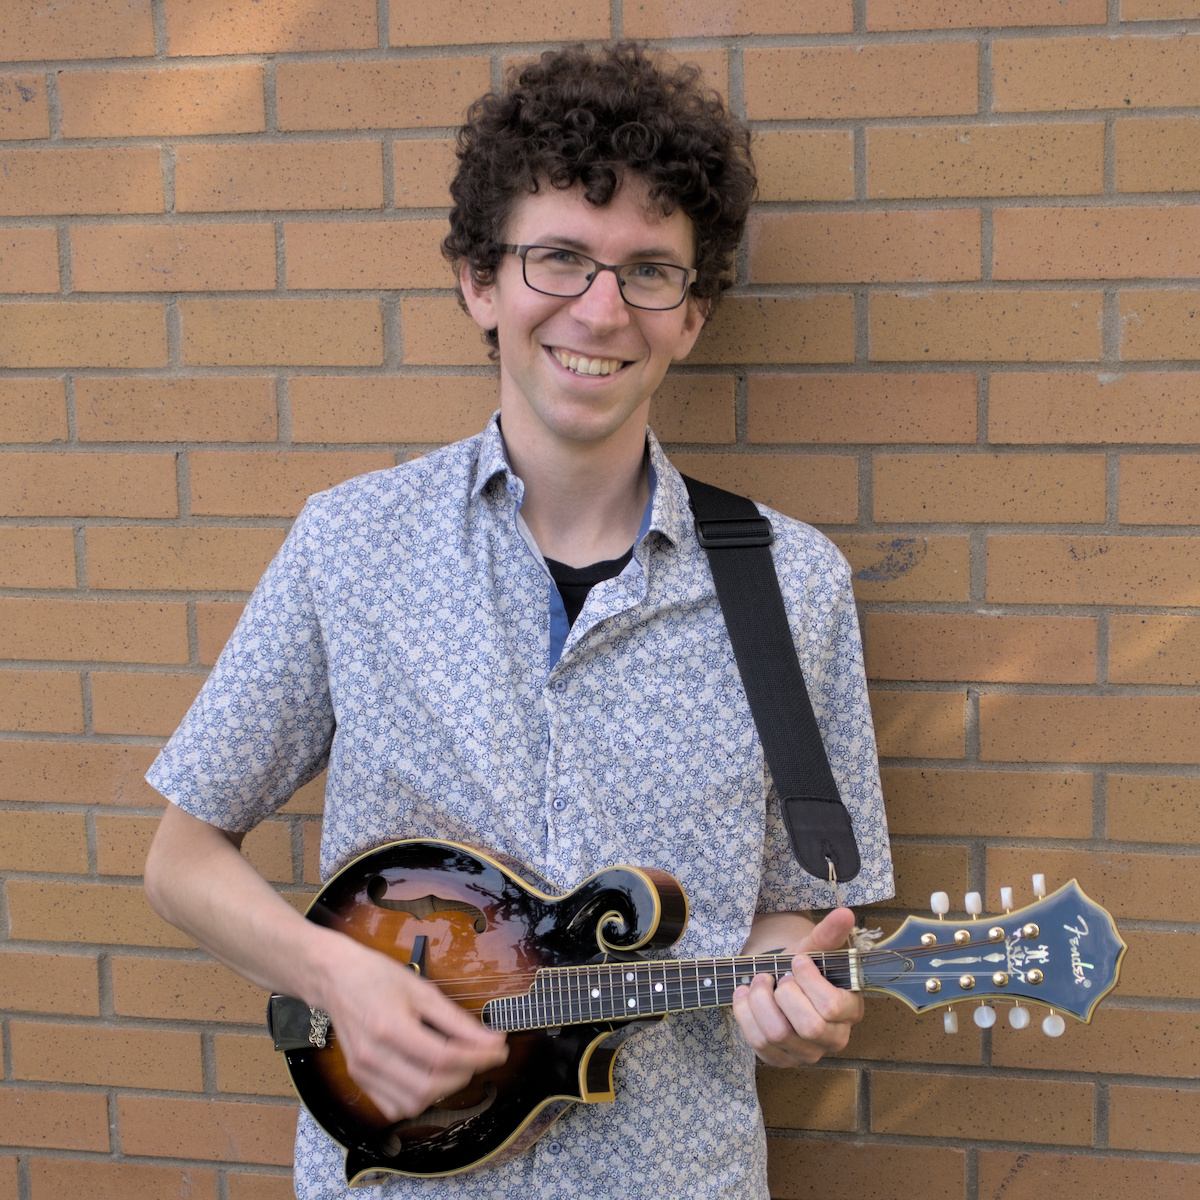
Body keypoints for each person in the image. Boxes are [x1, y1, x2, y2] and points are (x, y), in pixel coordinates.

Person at [144, 42, 894, 1200]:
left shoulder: (794, 585)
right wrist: (336, 981)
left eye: (650, 271)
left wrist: (793, 998)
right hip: (396, 1179)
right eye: (559, 258)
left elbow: (794, 912)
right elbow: (181, 858)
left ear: (691, 317)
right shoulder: (353, 544)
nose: (600, 309)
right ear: (478, 282)